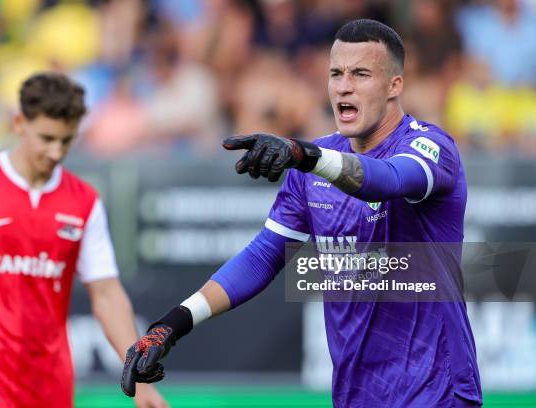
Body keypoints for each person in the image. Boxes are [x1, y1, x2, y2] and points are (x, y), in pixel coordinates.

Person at [121, 19, 482, 407]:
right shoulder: (313, 168)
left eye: (361, 74)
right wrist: (172, 325)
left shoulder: (430, 146)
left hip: (437, 392)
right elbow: (263, 256)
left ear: (395, 85)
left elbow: (387, 180)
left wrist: (304, 155)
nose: (344, 86)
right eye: (336, 74)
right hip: (357, 395)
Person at [0, 72, 167, 408]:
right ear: (19, 123)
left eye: (66, 141)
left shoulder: (84, 201)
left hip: (49, 387)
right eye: (47, 138)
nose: (56, 151)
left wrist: (139, 381)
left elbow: (108, 295)